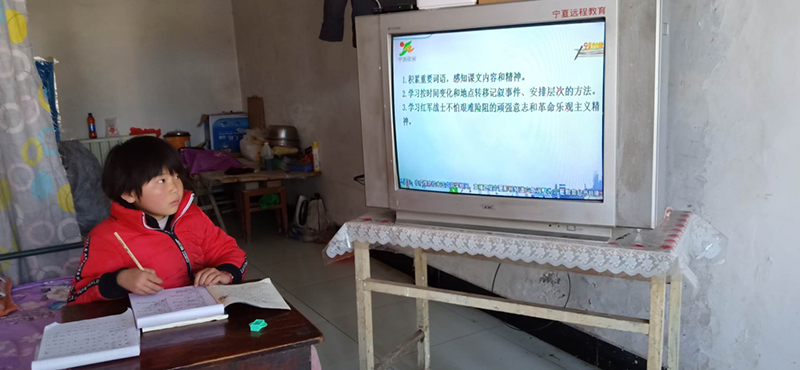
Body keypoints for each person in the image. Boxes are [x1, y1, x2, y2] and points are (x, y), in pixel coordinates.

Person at [67, 136, 247, 304]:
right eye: (161, 181)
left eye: (176, 176)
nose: (175, 188)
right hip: (154, 326)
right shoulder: (106, 238)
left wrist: (225, 273)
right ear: (128, 193)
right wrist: (119, 280)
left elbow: (230, 252)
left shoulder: (192, 215)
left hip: (207, 311)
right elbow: (78, 296)